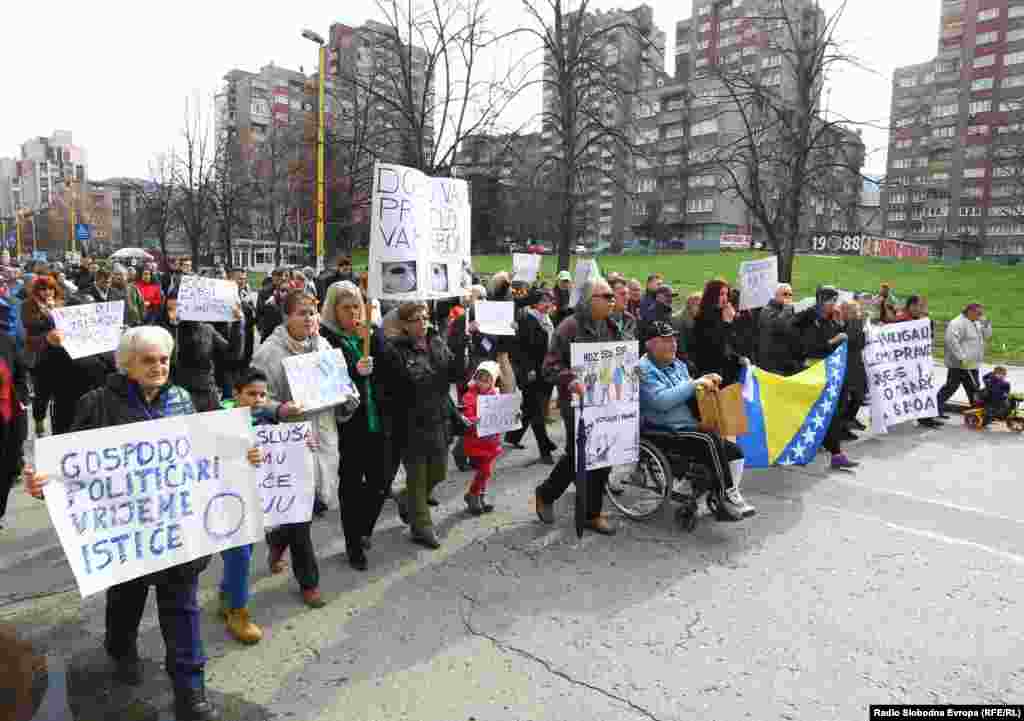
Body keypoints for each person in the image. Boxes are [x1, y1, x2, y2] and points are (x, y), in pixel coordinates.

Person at [22, 326, 263, 721]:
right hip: (125, 532)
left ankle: (191, 693)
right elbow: (70, 465)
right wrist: (42, 483)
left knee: (182, 609)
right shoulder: (96, 403)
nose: (158, 366)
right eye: (148, 360)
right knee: (126, 600)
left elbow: (210, 450)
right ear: (126, 364)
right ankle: (121, 649)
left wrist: (242, 457)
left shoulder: (184, 399)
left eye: (163, 359)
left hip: (176, 529)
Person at [251, 290, 342, 606]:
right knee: (300, 516)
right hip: (288, 442)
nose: (310, 318)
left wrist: (348, 391)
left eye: (313, 312)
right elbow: (254, 401)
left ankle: (277, 541)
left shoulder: (324, 345)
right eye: (302, 313)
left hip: (322, 436)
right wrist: (279, 410)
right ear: (286, 317)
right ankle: (309, 582)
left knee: (316, 504)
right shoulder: (269, 354)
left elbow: (337, 386)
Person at [534, 279, 631, 536]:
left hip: (605, 401)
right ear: (589, 299)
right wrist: (571, 379)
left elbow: (620, 359)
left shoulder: (612, 326)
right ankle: (546, 493)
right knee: (580, 454)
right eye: (606, 296)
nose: (612, 300)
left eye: (613, 296)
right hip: (576, 401)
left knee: (603, 455)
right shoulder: (569, 327)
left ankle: (592, 514)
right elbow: (549, 367)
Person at [637, 321, 754, 520]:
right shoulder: (643, 370)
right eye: (665, 340)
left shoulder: (678, 365)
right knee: (708, 439)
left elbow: (690, 392)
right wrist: (694, 384)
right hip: (661, 428)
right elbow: (661, 401)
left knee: (735, 452)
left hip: (686, 425)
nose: (673, 344)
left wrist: (706, 381)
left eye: (673, 339)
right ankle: (726, 496)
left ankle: (719, 496)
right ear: (650, 344)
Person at [319, 281, 398, 571]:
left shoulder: (371, 334)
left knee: (381, 481)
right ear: (333, 310)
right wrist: (354, 370)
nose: (353, 313)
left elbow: (394, 367)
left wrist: (375, 339)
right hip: (349, 426)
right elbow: (325, 382)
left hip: (379, 422)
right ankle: (354, 544)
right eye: (346, 308)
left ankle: (363, 527)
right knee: (351, 488)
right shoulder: (326, 338)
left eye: (357, 306)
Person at [377, 302, 459, 549]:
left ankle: (406, 500)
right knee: (418, 477)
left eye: (425, 318)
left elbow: (454, 373)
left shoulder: (437, 341)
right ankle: (421, 526)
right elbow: (394, 388)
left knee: (439, 472)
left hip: (439, 418)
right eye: (415, 319)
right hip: (411, 423)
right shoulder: (394, 350)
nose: (422, 323)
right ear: (404, 324)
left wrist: (462, 347)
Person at [216, 367, 280, 645]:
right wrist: (239, 454)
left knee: (245, 551)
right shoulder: (221, 420)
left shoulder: (265, 419)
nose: (257, 399)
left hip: (254, 498)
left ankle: (227, 595)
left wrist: (304, 443)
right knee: (240, 554)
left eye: (262, 395)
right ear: (236, 394)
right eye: (251, 394)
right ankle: (237, 612)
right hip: (227, 500)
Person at [795, 286, 858, 470]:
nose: (834, 305)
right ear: (822, 301)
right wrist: (834, 340)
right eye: (832, 301)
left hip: (826, 374)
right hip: (812, 373)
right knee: (818, 414)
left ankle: (836, 454)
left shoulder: (829, 320)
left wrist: (839, 325)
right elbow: (810, 347)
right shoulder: (809, 320)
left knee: (829, 414)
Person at [156, 291, 243, 412]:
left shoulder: (206, 329)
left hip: (207, 393)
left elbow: (233, 355)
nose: (172, 314)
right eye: (169, 309)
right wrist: (175, 328)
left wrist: (237, 324)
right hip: (179, 395)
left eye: (178, 309)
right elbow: (173, 360)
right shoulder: (163, 331)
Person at [506, 289, 559, 464]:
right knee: (537, 411)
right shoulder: (527, 320)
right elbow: (520, 349)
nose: (547, 304)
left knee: (530, 408)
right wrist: (528, 368)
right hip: (531, 373)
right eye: (543, 301)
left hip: (546, 371)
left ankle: (513, 437)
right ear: (535, 303)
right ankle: (545, 449)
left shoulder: (548, 320)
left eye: (549, 301)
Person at [461, 360, 504, 515]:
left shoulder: (496, 395)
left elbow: (503, 414)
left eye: (488, 380)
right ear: (475, 378)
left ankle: (480, 496)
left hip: (491, 442)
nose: (483, 383)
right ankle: (473, 494)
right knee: (485, 471)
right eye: (480, 379)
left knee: (484, 471)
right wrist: (475, 420)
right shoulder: (469, 396)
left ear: (493, 381)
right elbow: (466, 416)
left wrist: (513, 415)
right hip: (476, 442)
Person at [938, 303, 992, 415]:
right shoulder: (957, 323)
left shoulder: (976, 322)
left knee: (974, 389)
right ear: (970, 311)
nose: (981, 315)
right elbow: (951, 341)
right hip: (959, 364)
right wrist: (961, 357)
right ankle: (935, 408)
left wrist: (987, 326)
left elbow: (987, 336)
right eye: (979, 313)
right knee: (951, 388)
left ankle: (977, 413)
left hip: (972, 364)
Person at [692, 279, 747, 387]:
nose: (725, 298)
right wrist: (727, 323)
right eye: (721, 294)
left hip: (727, 371)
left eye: (726, 294)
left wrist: (738, 358)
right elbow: (716, 347)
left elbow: (730, 344)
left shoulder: (722, 314)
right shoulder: (703, 318)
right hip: (711, 372)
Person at [0, 329, 28, 530]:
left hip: (10, 415)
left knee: (9, 466)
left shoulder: (5, 340)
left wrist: (22, 398)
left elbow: (20, 372)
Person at [757, 284, 803, 376]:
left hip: (787, 362)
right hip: (772, 363)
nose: (788, 297)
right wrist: (786, 309)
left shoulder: (789, 311)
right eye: (785, 294)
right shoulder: (767, 310)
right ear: (776, 295)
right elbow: (776, 327)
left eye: (790, 295)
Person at [672, 291, 702, 368]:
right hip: (682, 364)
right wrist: (689, 363)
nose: (701, 309)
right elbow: (679, 346)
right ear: (690, 305)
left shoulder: (697, 318)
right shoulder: (678, 320)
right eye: (698, 306)